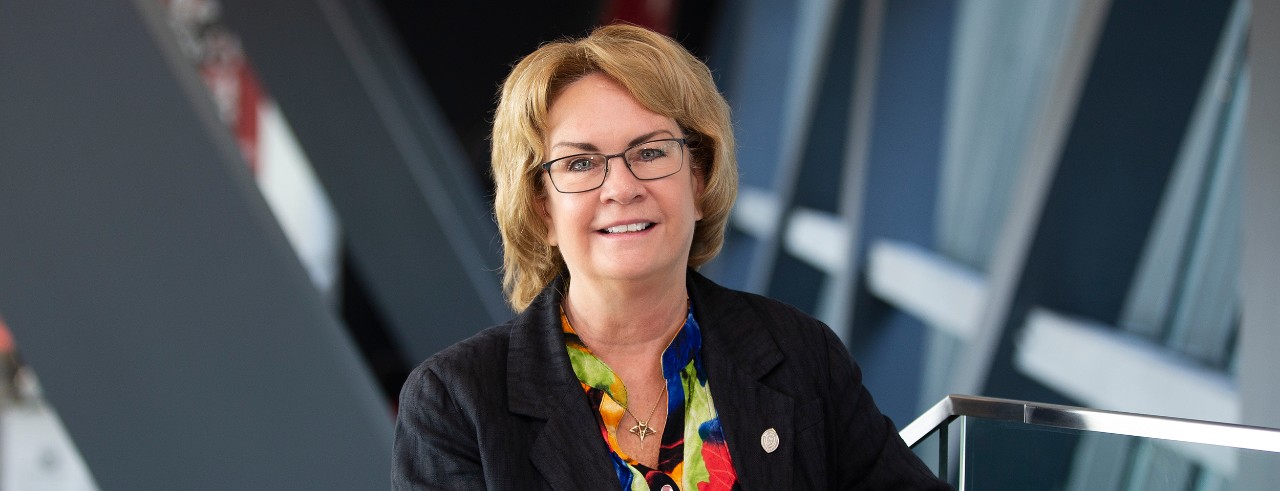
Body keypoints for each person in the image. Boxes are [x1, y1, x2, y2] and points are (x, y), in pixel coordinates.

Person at [392, 23, 949, 490]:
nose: (621, 188)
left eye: (651, 152)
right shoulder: (456, 402)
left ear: (699, 181)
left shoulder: (802, 355)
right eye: (581, 163)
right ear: (542, 209)